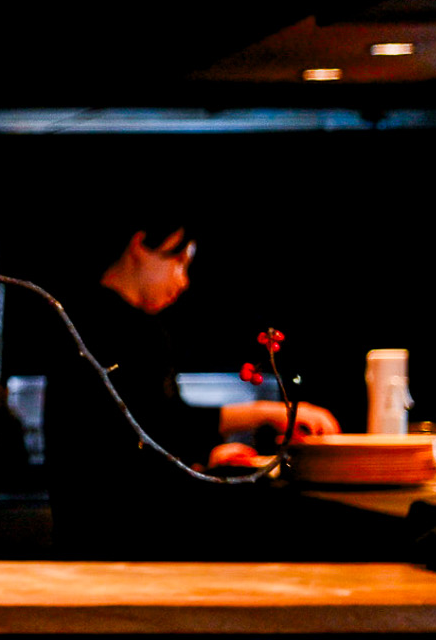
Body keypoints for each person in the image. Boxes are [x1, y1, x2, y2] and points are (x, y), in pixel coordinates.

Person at [44, 217, 340, 559]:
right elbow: (156, 425)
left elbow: (154, 429)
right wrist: (266, 413)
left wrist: (204, 458)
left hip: (105, 524)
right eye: (178, 261)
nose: (183, 281)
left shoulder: (113, 320)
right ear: (139, 247)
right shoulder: (105, 325)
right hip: (118, 532)